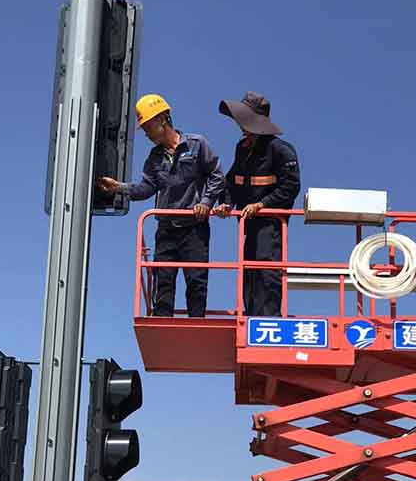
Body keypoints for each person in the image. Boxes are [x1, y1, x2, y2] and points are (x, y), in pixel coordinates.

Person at [97, 94, 225, 318]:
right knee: (163, 282)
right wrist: (119, 188)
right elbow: (145, 189)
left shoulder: (196, 145)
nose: (146, 133)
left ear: (162, 119)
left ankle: (196, 325)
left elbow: (217, 175)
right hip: (167, 230)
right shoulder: (155, 158)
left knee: (196, 281)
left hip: (194, 229)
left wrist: (205, 202)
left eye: (147, 126)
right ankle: (162, 323)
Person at [214, 92, 300, 316]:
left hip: (271, 224)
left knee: (266, 267)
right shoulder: (242, 149)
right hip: (249, 225)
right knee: (249, 270)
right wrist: (226, 204)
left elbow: (291, 186)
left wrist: (262, 204)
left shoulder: (281, 150)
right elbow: (232, 182)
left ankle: (269, 318)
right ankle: (251, 314)